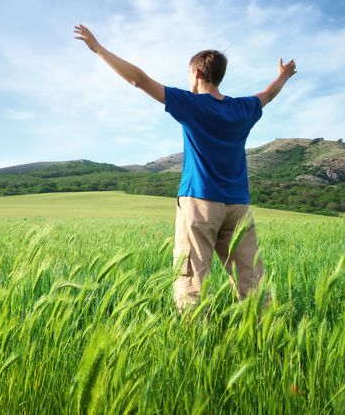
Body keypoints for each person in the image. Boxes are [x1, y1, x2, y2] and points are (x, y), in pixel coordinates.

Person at [73, 24, 296, 314]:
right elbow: (269, 94)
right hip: (238, 207)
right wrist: (284, 75)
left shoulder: (191, 105)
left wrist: (99, 49)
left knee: (192, 279)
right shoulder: (243, 109)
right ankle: (266, 334)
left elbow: (139, 81)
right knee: (251, 278)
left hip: (200, 204)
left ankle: (195, 344)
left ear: (198, 74)